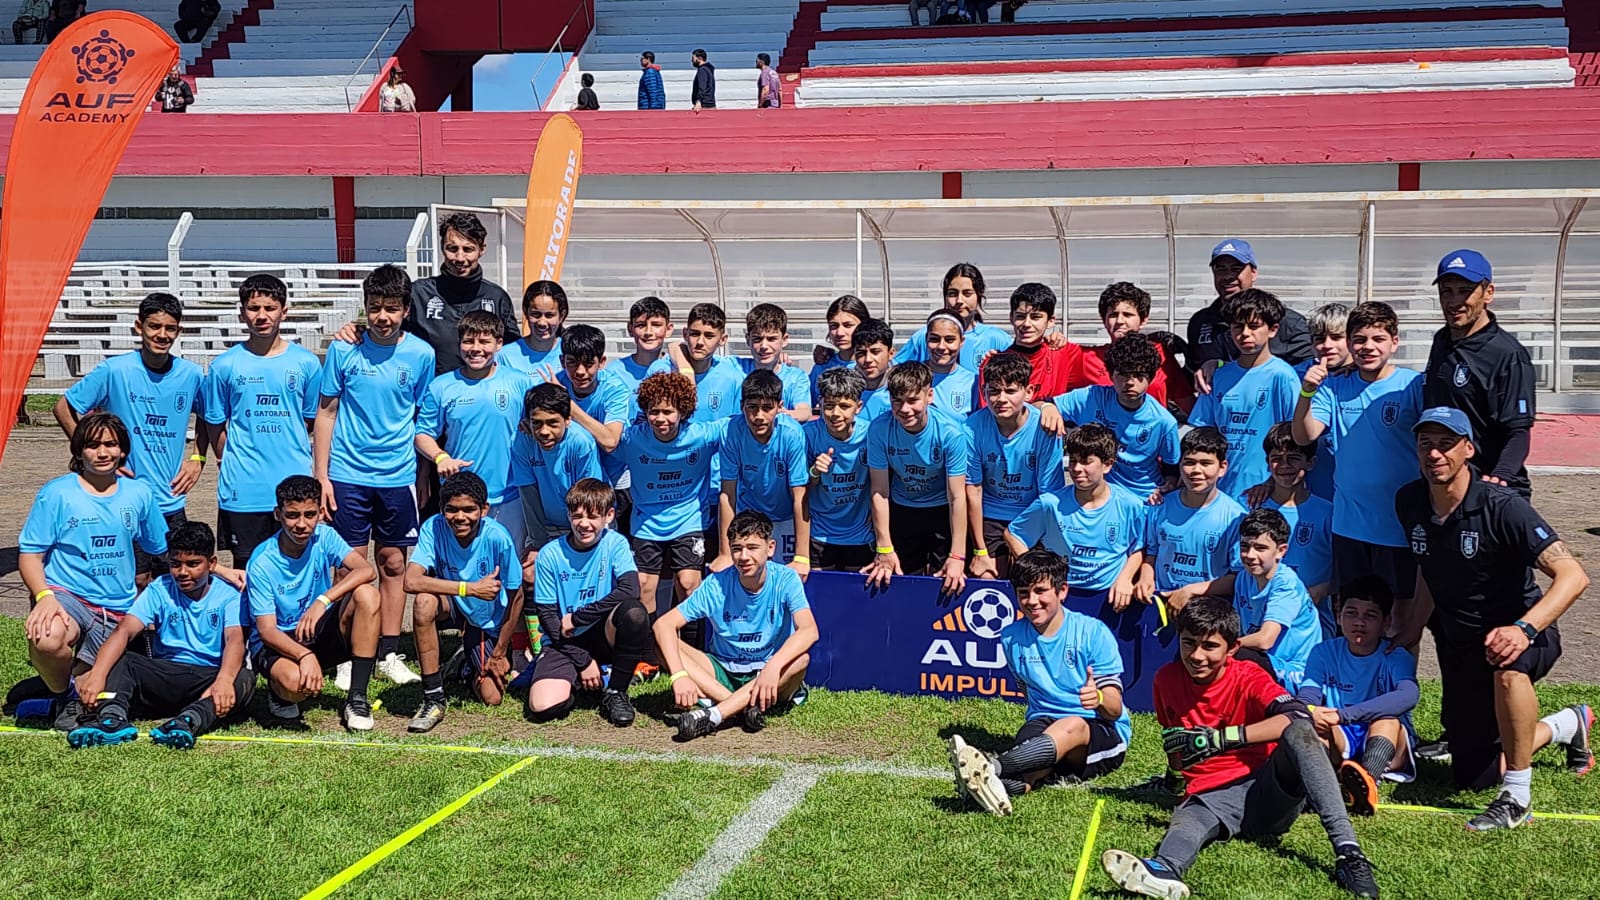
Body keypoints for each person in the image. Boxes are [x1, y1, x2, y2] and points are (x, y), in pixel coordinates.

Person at [1392, 407, 1593, 829]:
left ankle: (1518, 799)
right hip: (1462, 644)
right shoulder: (1409, 500)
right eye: (1426, 443)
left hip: (1523, 632)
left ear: (1469, 449)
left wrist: (1524, 629)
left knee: (1508, 670)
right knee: (1474, 774)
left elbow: (1573, 577)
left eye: (1446, 443)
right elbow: (1430, 567)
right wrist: (1412, 626)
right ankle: (1566, 724)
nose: (1434, 453)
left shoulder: (1504, 507)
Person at [1100, 597, 1379, 900]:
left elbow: (1297, 716)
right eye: (1188, 643)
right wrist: (1174, 778)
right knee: (1186, 825)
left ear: (1232, 648)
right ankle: (1163, 871)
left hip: (1268, 789)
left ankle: (1349, 854)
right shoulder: (1166, 679)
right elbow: (1174, 739)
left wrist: (1222, 738)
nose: (1196, 655)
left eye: (1209, 646)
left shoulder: (1248, 675)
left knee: (1300, 731)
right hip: (1209, 795)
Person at [314, 264, 435, 687]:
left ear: (406, 310)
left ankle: (388, 651)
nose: (382, 317)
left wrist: (421, 476)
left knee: (393, 563)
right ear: (365, 308)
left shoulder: (421, 354)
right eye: (375, 308)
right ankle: (345, 651)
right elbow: (326, 412)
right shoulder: (344, 349)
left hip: (397, 475)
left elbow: (422, 419)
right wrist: (322, 477)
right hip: (347, 474)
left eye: (392, 309)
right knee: (348, 565)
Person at [946, 549, 1131, 816]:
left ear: (1062, 591)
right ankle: (989, 788)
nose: (1032, 601)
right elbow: (1026, 689)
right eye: (1023, 592)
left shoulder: (1093, 632)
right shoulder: (1010, 637)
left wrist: (1099, 698)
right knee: (1026, 774)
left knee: (1072, 724)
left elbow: (1114, 709)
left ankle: (991, 767)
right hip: (1044, 725)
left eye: (1040, 591)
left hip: (1098, 731)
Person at [19, 413, 168, 731]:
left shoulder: (139, 493)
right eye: (93, 445)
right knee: (48, 639)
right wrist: (44, 596)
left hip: (117, 608)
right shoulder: (57, 493)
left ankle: (53, 692)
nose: (103, 453)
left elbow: (165, 549)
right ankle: (64, 697)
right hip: (67, 596)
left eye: (111, 445)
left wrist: (219, 569)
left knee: (101, 696)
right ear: (78, 451)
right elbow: (30, 554)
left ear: (123, 451)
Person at [55, 292, 205, 586]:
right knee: (133, 578)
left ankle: (161, 634)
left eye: (169, 328)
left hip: (169, 497)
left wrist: (197, 457)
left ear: (179, 331)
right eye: (154, 326)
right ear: (139, 327)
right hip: (121, 495)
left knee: (177, 576)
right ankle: (128, 633)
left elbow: (209, 417)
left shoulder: (191, 374)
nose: (161, 335)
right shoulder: (115, 370)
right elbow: (64, 407)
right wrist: (86, 454)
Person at [67, 522, 251, 750]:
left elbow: (235, 640)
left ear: (211, 563)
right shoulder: (159, 589)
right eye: (176, 564)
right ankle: (111, 719)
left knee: (244, 678)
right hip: (166, 672)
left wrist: (223, 681)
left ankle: (188, 721)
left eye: (193, 564)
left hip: (207, 677)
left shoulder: (230, 595)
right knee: (122, 659)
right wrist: (97, 674)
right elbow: (123, 632)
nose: (183, 572)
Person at [1292, 301, 1421, 602]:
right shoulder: (1334, 387)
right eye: (1360, 339)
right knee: (1351, 615)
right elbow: (1303, 435)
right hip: (1349, 527)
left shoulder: (1412, 386)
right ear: (1350, 343)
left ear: (1395, 342)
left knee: (1398, 620)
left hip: (1397, 527)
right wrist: (1307, 392)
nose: (1368, 347)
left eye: (1378, 339)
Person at [655, 511, 819, 741]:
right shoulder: (716, 584)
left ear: (770, 548)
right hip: (722, 669)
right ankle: (739, 709)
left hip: (768, 675)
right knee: (659, 640)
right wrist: (679, 676)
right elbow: (664, 625)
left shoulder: (786, 579)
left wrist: (772, 668)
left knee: (801, 660)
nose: (743, 556)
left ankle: (716, 713)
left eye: (752, 548)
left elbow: (809, 630)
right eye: (737, 548)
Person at [204, 274, 323, 567]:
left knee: (298, 567)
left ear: (284, 311)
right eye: (253, 308)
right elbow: (215, 424)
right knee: (247, 572)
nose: (261, 316)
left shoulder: (306, 363)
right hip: (244, 489)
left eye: (269, 308)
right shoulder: (224, 365)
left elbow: (311, 420)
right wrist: (230, 458)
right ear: (241, 312)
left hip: (294, 485)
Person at [247, 475, 382, 730]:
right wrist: (304, 654)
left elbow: (366, 570)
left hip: (315, 625)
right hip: (279, 637)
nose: (301, 524)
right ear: (278, 514)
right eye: (292, 515)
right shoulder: (262, 562)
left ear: (320, 512)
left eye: (309, 515)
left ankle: (357, 698)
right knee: (296, 686)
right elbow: (266, 630)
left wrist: (323, 600)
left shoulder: (324, 536)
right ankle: (278, 692)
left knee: (368, 594)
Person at [405, 472, 525, 733]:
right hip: (456, 603)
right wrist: (468, 589)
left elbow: (517, 596)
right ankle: (433, 697)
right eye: (452, 510)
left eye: (469, 509)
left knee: (492, 697)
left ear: (484, 509)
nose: (460, 517)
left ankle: (465, 665)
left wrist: (500, 652)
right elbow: (411, 581)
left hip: (486, 617)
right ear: (442, 509)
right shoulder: (433, 527)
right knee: (424, 603)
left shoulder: (497, 537)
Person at [330, 212, 519, 378]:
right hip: (428, 398)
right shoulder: (419, 293)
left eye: (468, 249)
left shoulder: (497, 297)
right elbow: (387, 326)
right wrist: (357, 329)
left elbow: (513, 352)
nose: (460, 258)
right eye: (452, 249)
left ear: (482, 249)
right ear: (442, 247)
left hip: (481, 402)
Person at [526, 479, 652, 727]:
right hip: (564, 639)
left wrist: (579, 617)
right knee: (542, 707)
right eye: (577, 516)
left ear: (609, 516)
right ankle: (585, 677)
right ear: (568, 515)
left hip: (601, 632)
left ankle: (616, 692)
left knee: (635, 614)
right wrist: (582, 660)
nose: (584, 524)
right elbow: (548, 618)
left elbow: (631, 589)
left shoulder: (615, 543)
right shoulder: (550, 554)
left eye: (593, 516)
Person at [596, 373, 724, 614]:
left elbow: (738, 426)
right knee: (643, 587)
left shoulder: (702, 435)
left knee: (688, 585)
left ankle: (687, 647)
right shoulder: (632, 438)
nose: (660, 418)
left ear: (683, 412)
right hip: (646, 522)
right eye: (654, 411)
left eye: (668, 412)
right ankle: (651, 647)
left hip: (689, 520)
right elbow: (604, 438)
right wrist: (570, 409)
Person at [415, 310, 537, 562]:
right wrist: (440, 458)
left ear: (499, 344)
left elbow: (540, 425)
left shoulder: (520, 382)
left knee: (510, 570)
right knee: (462, 568)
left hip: (510, 497)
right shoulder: (442, 386)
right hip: (461, 498)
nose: (476, 348)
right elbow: (422, 434)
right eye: (469, 341)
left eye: (484, 341)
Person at [1298, 576, 1421, 817]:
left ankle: (1368, 781)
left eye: (1370, 616)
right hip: (1341, 734)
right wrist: (1315, 713)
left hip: (1387, 741)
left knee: (1388, 720)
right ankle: (1316, 786)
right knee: (1314, 726)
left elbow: (1409, 694)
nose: (1359, 622)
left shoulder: (1395, 655)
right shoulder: (1324, 652)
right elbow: (1307, 697)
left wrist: (1344, 715)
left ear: (1387, 623)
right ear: (1338, 615)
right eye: (1351, 613)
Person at [1168, 508, 1322, 692]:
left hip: (1294, 672)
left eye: (1260, 548)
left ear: (1281, 551)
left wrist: (1219, 647)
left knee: (1233, 653)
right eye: (1244, 546)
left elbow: (1265, 640)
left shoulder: (1286, 584)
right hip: (1263, 660)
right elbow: (1222, 586)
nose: (1250, 555)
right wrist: (1189, 591)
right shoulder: (1244, 577)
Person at [1423, 249, 1536, 498]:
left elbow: (1518, 432)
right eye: (1446, 291)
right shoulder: (1442, 340)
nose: (1454, 302)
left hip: (1490, 488)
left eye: (1465, 291)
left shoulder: (1508, 354)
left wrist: (1499, 480)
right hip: (1446, 485)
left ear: (1488, 293)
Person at [1006, 424, 1145, 612]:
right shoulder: (1050, 504)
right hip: (1063, 595)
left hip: (1108, 597)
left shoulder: (1130, 505)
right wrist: (1037, 572)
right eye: (1073, 461)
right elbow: (1013, 534)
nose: (1077, 468)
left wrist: (1126, 578)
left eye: (1086, 462)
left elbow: (1139, 546)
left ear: (1108, 464)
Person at [863, 362, 971, 594]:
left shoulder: (951, 433)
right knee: (898, 585)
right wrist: (884, 547)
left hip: (942, 511)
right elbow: (880, 491)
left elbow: (957, 497)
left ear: (929, 396)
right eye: (897, 401)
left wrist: (957, 555)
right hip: (903, 510)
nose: (905, 409)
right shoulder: (879, 429)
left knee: (949, 583)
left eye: (913, 400)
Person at [1187, 288, 1299, 499]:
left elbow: (1295, 436)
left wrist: (1272, 481)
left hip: (1265, 491)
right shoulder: (1218, 376)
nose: (1245, 333)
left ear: (1273, 330)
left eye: (1254, 326)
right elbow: (1203, 434)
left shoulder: (1283, 376)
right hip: (1219, 491)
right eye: (1238, 326)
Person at [965, 352, 1064, 581]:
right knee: (986, 577)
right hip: (991, 514)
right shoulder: (972, 427)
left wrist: (1021, 539)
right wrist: (980, 551)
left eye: (1010, 391)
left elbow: (1048, 494)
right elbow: (973, 489)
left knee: (1035, 579)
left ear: (1028, 392)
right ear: (983, 392)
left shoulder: (1045, 428)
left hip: (1033, 513)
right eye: (993, 391)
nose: (1001, 398)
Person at [1049, 333, 1180, 502]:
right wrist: (1047, 407)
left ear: (1151, 378)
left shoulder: (1164, 422)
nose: (1130, 382)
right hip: (1098, 496)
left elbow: (1172, 470)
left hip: (1143, 499)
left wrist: (1167, 487)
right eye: (1123, 374)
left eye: (1139, 375)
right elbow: (1040, 406)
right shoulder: (1092, 397)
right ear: (1111, 376)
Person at [713, 370, 810, 574]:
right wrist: (724, 552)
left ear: (780, 407)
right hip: (750, 513)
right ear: (742, 406)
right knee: (748, 576)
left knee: (784, 578)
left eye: (767, 408)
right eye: (752, 408)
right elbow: (727, 493)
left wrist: (802, 556)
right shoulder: (730, 432)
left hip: (785, 516)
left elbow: (800, 495)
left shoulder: (792, 434)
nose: (759, 416)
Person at [1137, 426, 1244, 606]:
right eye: (1189, 462)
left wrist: (1190, 591)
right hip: (1162, 602)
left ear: (1222, 468)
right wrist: (1145, 578)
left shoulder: (1236, 517)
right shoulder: (1159, 506)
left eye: (1206, 463)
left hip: (1209, 609)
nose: (1196, 470)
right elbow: (1152, 553)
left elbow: (1239, 576)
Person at [1185, 239, 1313, 382]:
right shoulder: (1200, 322)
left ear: (1253, 273)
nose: (1227, 276)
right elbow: (1191, 373)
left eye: (1236, 269)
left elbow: (1306, 374)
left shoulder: (1287, 322)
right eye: (1221, 269)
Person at [604, 296, 674, 537]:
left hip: (663, 476)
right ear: (630, 329)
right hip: (621, 477)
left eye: (656, 325)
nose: (648, 332)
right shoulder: (613, 372)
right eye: (641, 325)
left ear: (669, 328)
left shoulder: (677, 370)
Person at [511, 382, 604, 555]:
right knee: (530, 573)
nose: (544, 431)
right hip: (547, 526)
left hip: (585, 521)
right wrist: (538, 545)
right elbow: (529, 496)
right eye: (537, 423)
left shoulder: (580, 442)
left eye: (552, 423)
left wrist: (577, 542)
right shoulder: (522, 442)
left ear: (568, 419)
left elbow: (589, 498)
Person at [1079, 281, 1194, 415]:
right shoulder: (1085, 358)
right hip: (1106, 435)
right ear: (1104, 320)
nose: (1120, 321)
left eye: (1128, 315)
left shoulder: (1161, 354)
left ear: (1143, 320)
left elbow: (1189, 405)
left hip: (1153, 434)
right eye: (1113, 315)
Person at [1260, 423, 1335, 628]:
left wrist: (1324, 588)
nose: (1284, 465)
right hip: (1259, 617)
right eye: (1276, 459)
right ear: (1267, 464)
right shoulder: (1251, 507)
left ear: (1310, 463)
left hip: (1310, 623)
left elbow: (1344, 568)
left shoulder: (1328, 512)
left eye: (1293, 458)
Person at [805, 366, 875, 571]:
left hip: (860, 535)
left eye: (844, 406)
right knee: (820, 598)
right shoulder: (808, 435)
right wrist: (815, 471)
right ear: (820, 404)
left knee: (856, 599)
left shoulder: (871, 434)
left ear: (858, 407)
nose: (835, 413)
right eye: (829, 406)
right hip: (819, 533)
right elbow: (799, 488)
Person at [895, 263, 1012, 371]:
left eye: (967, 294)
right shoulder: (923, 337)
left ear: (979, 295)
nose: (959, 300)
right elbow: (895, 368)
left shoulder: (996, 338)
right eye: (952, 294)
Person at [999, 282, 1085, 403]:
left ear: (1050, 321)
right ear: (1011, 318)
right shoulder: (994, 364)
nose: (1027, 324)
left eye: (1035, 317)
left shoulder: (1065, 354)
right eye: (1020, 316)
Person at [733, 303, 812, 421]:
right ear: (747, 340)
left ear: (784, 340)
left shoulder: (796, 377)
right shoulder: (734, 367)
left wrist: (778, 414)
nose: (764, 346)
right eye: (757, 339)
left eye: (771, 339)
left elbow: (804, 412)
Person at [809, 294, 868, 405]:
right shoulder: (822, 367)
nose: (840, 333)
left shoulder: (874, 367)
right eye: (834, 326)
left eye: (848, 325)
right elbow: (807, 406)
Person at [500, 279, 567, 376]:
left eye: (549, 315)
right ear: (526, 313)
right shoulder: (504, 355)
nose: (542, 322)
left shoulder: (570, 352)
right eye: (536, 314)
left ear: (561, 316)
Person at [923, 311, 978, 419]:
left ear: (961, 341)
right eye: (934, 339)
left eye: (949, 340)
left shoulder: (973, 382)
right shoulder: (910, 376)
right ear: (926, 339)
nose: (941, 346)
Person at [851, 317, 896, 421]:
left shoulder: (902, 388)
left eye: (875, 352)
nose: (868, 359)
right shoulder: (845, 386)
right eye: (861, 353)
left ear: (891, 353)